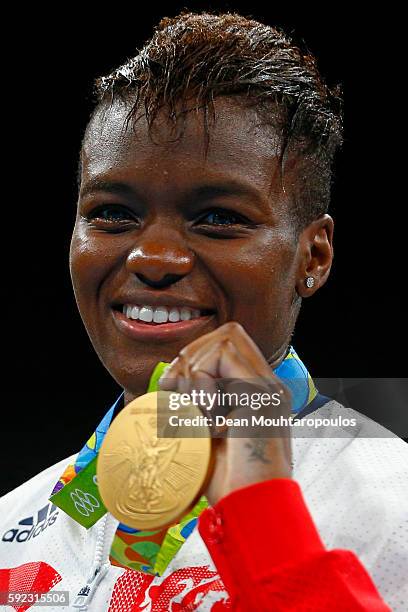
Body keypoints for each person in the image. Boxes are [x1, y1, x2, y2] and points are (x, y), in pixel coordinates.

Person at [1, 10, 407, 611]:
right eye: (112, 212)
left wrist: (264, 523)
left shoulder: (394, 507)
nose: (154, 256)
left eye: (219, 218)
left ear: (312, 257)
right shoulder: (14, 523)